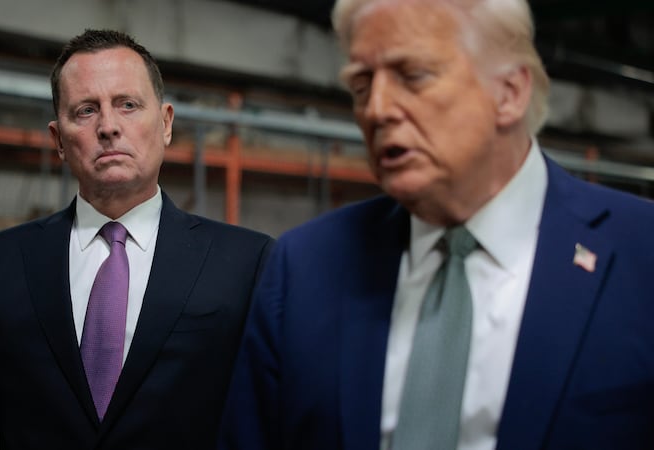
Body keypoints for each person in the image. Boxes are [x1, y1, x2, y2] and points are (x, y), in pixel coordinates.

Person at [219, 0, 654, 449]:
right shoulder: (304, 267)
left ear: (509, 93)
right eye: (362, 85)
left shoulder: (642, 253)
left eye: (414, 76)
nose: (378, 110)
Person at [0, 29, 273, 450]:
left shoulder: (246, 263)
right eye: (86, 111)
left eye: (127, 105)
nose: (108, 127)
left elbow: (273, 421)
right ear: (58, 140)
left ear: (165, 124)